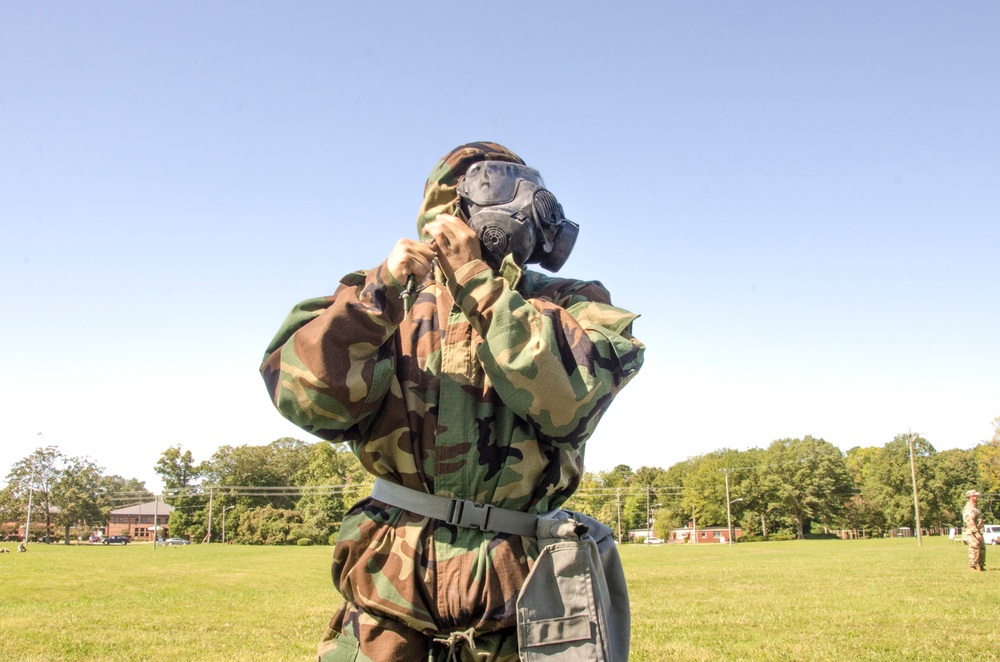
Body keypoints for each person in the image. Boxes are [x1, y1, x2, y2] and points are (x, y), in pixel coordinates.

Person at [261, 142, 644, 661]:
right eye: (498, 184)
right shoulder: (386, 301)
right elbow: (304, 399)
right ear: (451, 209)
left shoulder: (573, 302)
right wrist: (377, 295)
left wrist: (478, 285)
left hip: (523, 599)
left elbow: (571, 400)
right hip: (392, 591)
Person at [963, 489, 985, 572]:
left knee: (982, 549)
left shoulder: (976, 507)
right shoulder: (968, 508)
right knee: (974, 548)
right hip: (972, 532)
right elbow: (970, 521)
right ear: (971, 497)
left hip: (979, 531)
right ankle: (973, 566)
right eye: (975, 496)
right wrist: (976, 532)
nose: (977, 497)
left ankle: (981, 565)